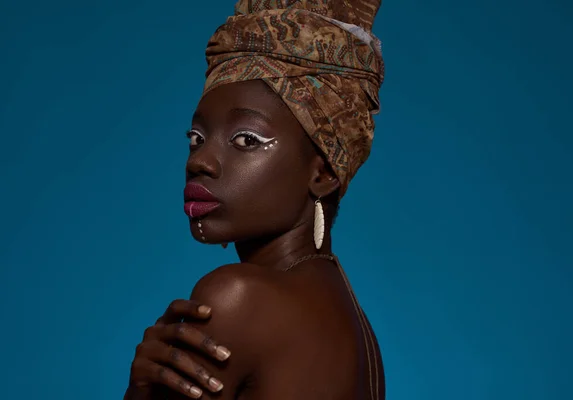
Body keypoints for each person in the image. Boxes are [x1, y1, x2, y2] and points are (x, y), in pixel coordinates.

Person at [124, 0, 385, 398]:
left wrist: (139, 391)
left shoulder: (238, 299)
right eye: (196, 138)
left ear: (323, 173)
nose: (200, 161)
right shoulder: (353, 326)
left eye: (246, 140)